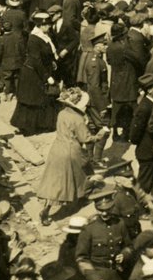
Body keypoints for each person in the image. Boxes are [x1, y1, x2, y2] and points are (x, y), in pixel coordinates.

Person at [35, 87, 105, 225]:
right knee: (84, 173)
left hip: (57, 148)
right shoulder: (77, 118)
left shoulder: (62, 113)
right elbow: (85, 138)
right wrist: (99, 135)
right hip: (72, 151)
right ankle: (84, 195)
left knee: (55, 181)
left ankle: (48, 208)